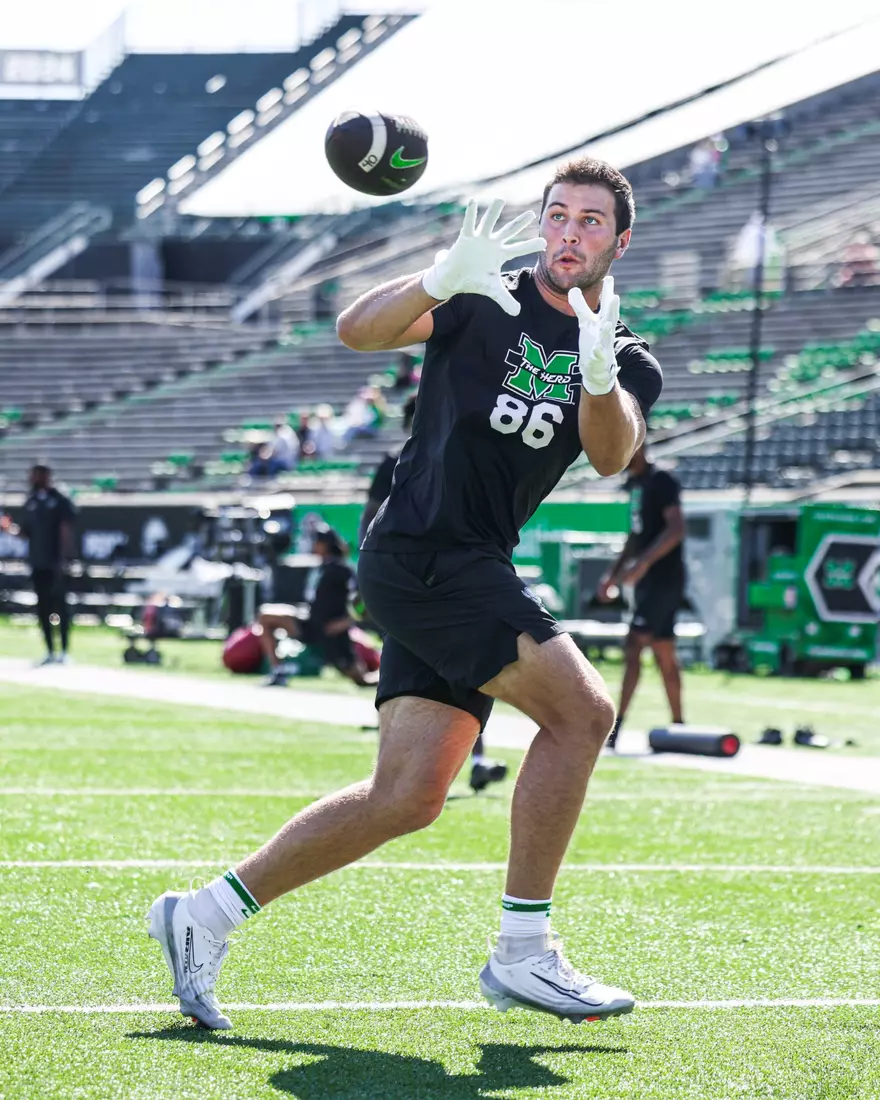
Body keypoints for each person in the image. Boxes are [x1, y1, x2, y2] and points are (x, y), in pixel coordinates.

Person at [147, 156, 663, 1031]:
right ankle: (525, 951)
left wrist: (599, 373)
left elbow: (614, 455)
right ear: (542, 223)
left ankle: (203, 914)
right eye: (558, 215)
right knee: (582, 714)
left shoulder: (621, 347)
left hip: (464, 563)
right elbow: (355, 330)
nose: (569, 233)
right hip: (428, 551)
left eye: (589, 222)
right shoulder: (481, 295)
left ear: (619, 239)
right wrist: (433, 277)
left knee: (408, 796)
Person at [358, 394, 508, 794]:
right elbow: (372, 517)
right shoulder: (412, 459)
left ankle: (448, 762)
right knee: (459, 673)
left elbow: (367, 521)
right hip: (424, 579)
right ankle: (435, 763)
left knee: (435, 673)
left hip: (415, 580)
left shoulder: (440, 454)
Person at [597, 445, 686, 749]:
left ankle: (616, 727)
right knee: (663, 651)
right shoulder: (635, 485)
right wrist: (613, 573)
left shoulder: (661, 480)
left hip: (664, 579)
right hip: (650, 581)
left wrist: (644, 563)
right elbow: (636, 534)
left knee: (635, 643)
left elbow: (676, 529)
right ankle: (680, 727)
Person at [257, 525, 377, 689]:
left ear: (325, 544)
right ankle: (279, 671)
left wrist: (345, 623)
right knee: (266, 616)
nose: (313, 546)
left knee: (362, 681)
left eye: (317, 542)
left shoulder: (341, 569)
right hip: (310, 625)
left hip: (332, 632)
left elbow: (363, 599)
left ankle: (389, 677)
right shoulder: (320, 567)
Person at [0, 464, 76, 664]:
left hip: (56, 563)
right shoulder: (31, 501)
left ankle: (65, 650)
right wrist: (9, 529)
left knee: (60, 607)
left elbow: (65, 530)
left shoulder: (59, 500)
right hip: (38, 562)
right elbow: (25, 533)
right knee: (43, 607)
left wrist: (65, 559)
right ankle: (50, 650)